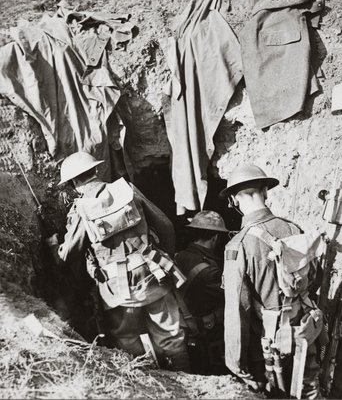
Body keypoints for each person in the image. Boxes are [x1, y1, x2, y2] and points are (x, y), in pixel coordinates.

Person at [50, 151, 189, 371]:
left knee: (127, 341)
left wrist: (53, 245)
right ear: (96, 170)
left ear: (74, 183)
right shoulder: (128, 190)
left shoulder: (81, 209)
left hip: (118, 290)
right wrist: (164, 256)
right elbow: (166, 227)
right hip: (153, 274)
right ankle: (189, 383)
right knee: (171, 337)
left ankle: (147, 387)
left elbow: (68, 255)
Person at [219, 164, 322, 398]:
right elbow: (314, 277)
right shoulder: (294, 228)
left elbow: (237, 310)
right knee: (309, 388)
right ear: (265, 191)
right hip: (305, 329)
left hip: (269, 344)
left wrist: (236, 365)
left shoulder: (239, 246)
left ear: (234, 200)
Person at [175, 211, 228, 374]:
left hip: (183, 327)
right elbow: (232, 295)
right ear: (216, 238)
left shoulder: (180, 256)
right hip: (205, 333)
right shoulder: (209, 271)